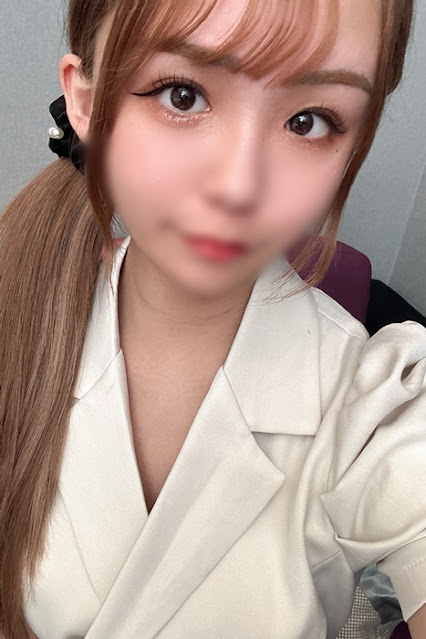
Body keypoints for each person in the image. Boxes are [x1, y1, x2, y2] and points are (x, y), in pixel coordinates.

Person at [0, 0, 425, 638]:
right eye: (183, 95)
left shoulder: (380, 406)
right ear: (86, 104)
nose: (238, 187)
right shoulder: (18, 309)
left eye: (308, 121)